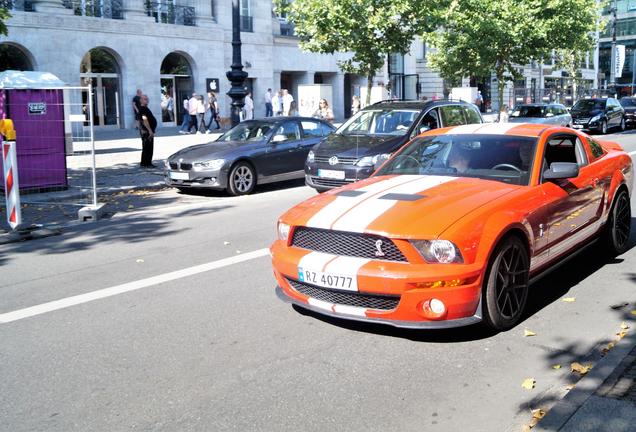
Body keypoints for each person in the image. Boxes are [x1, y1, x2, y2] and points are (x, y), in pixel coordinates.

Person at [138, 94, 157, 168]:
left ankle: (146, 162)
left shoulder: (145, 108)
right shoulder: (142, 109)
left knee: (148, 147)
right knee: (147, 147)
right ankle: (146, 163)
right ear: (141, 100)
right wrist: (150, 130)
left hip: (147, 131)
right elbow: (145, 119)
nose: (147, 100)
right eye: (145, 99)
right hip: (146, 131)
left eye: (147, 99)